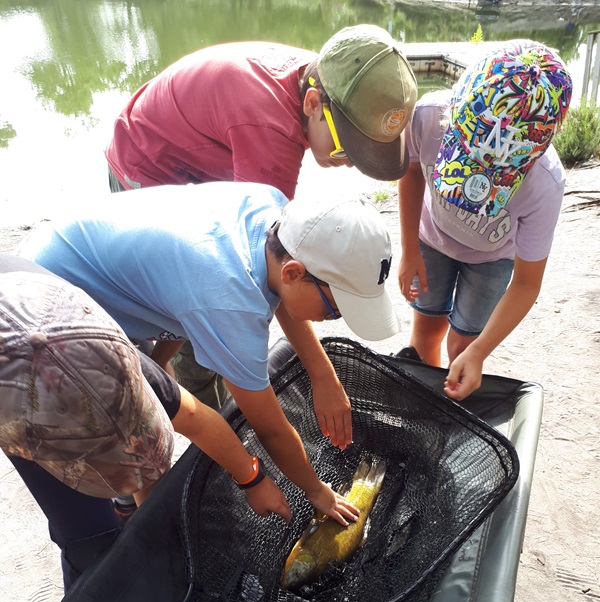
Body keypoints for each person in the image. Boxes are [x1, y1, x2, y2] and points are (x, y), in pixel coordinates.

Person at [19, 180, 399, 527]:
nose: (335, 318)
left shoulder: (273, 213)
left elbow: (177, 292)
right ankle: (132, 527)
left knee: (146, 415)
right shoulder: (230, 303)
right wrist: (315, 491)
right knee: (138, 447)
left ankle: (131, 506)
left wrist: (323, 375)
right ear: (295, 273)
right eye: (335, 309)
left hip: (64, 256)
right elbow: (271, 429)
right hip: (46, 314)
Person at [104, 24, 418, 408]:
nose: (350, 162)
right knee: (201, 314)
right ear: (313, 103)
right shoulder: (271, 130)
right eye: (345, 146)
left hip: (199, 166)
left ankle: (183, 381)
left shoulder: (324, 76)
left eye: (365, 151)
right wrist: (322, 376)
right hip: (146, 165)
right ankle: (205, 411)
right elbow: (277, 264)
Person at [0, 255, 291, 589]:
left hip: (51, 323)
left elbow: (195, 418)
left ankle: (150, 540)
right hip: (16, 403)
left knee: (144, 484)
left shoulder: (100, 346)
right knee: (87, 538)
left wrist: (251, 477)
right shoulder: (22, 432)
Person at [397, 39, 572, 401]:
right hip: (432, 240)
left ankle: (450, 405)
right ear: (458, 96)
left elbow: (526, 283)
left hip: (492, 261)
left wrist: (478, 354)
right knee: (426, 329)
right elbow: (411, 172)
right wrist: (409, 247)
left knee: (463, 343)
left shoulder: (545, 185)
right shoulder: (429, 116)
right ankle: (426, 403)